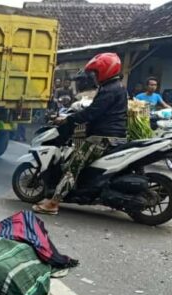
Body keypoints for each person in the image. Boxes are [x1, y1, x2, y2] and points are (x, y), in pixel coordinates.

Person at [33, 53, 127, 215]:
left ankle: (53, 203)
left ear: (105, 71)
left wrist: (68, 120)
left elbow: (92, 113)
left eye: (96, 73)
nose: (94, 77)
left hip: (102, 138)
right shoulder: (117, 87)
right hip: (114, 135)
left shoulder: (109, 90)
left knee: (73, 167)